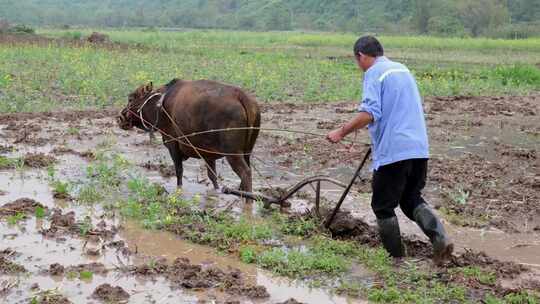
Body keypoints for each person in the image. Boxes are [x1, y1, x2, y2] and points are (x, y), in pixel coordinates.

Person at [327, 35, 453, 264]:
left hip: (394, 151)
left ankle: (395, 259)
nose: (359, 66)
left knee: (382, 206)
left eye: (357, 61)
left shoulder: (373, 73)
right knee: (410, 198)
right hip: (419, 148)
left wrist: (341, 132)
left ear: (361, 56)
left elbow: (369, 113)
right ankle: (441, 239)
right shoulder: (402, 70)